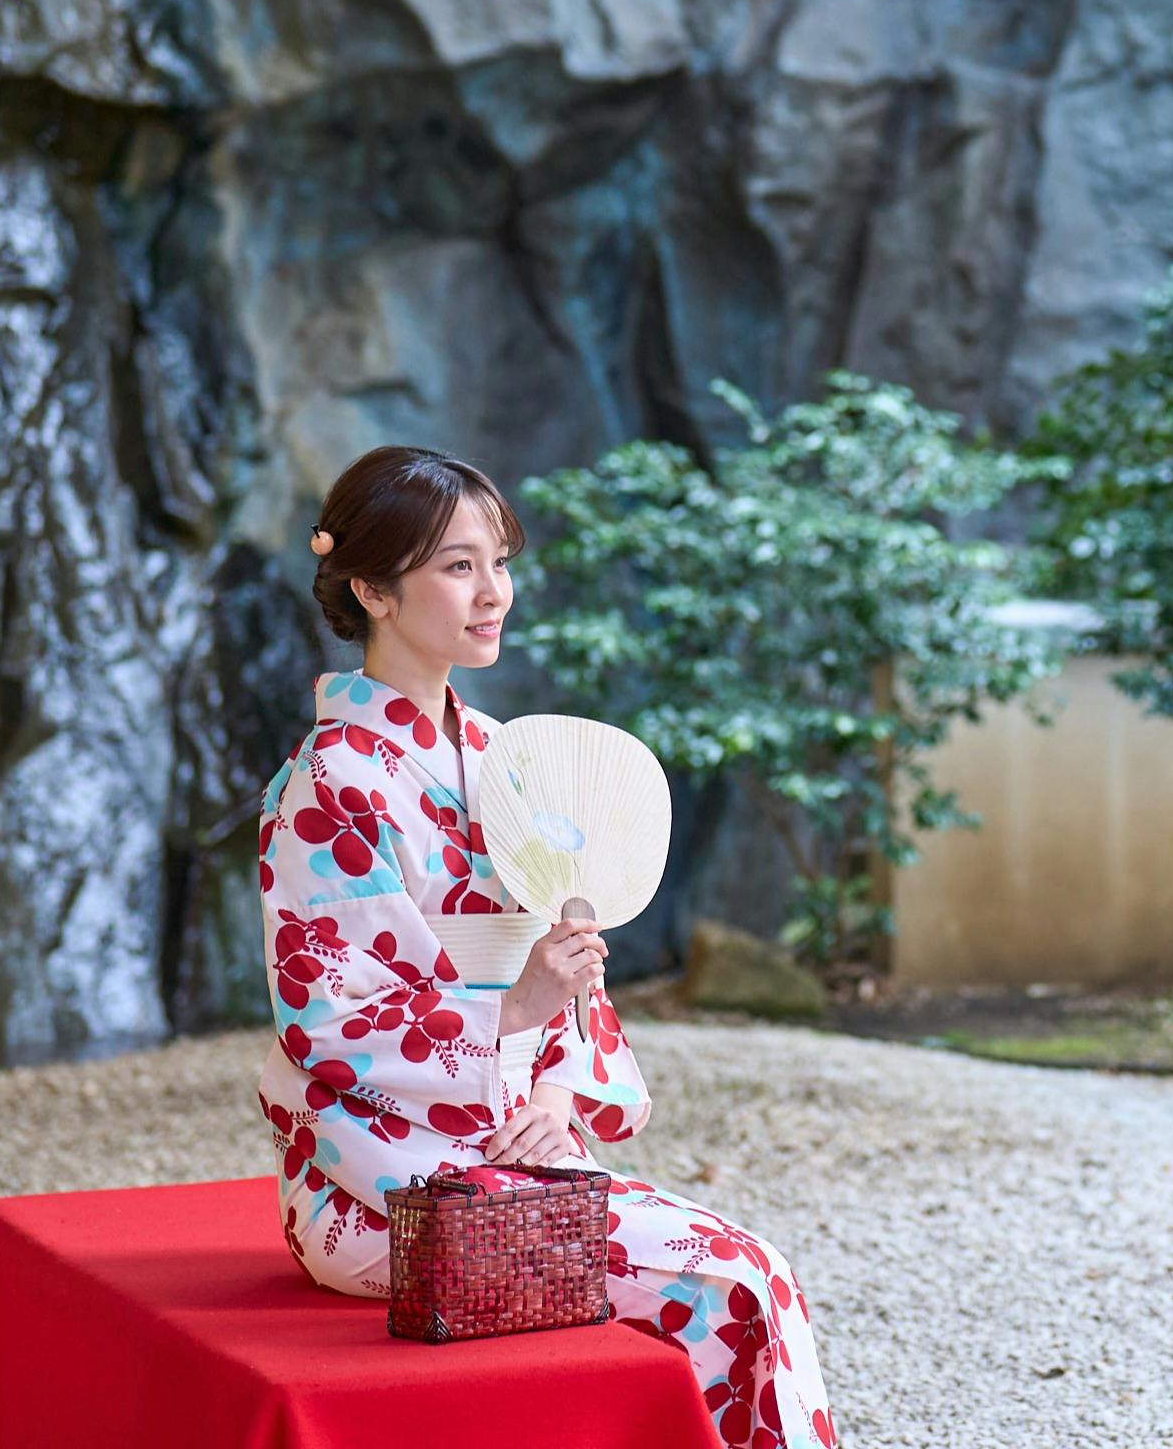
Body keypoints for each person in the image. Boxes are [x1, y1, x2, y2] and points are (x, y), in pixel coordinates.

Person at [256, 445, 840, 1449]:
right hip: (382, 1183)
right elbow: (327, 1018)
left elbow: (561, 961)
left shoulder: (502, 754)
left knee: (751, 1271)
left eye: (500, 560)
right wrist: (515, 1010)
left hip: (517, 1137)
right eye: (457, 565)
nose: (495, 593)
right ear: (372, 589)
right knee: (738, 1281)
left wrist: (558, 1090)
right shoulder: (333, 783)